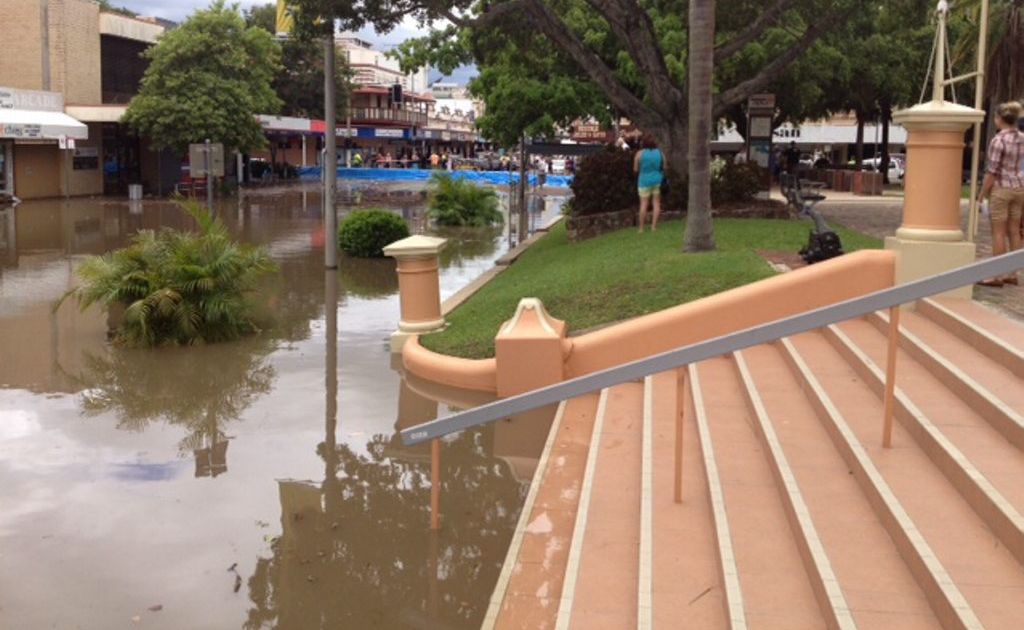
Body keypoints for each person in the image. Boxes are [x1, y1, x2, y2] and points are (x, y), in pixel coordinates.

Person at [977, 101, 1024, 287]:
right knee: (1014, 231)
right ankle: (1013, 272)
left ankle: (995, 275)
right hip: (1019, 188)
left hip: (1002, 188)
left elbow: (992, 171)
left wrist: (982, 194)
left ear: (999, 119)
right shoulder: (1022, 138)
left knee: (998, 232)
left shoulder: (998, 141)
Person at [634, 134, 665, 232]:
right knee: (656, 203)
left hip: (644, 180)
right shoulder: (660, 153)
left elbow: (635, 169)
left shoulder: (639, 154)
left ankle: (641, 228)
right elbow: (665, 166)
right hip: (657, 180)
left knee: (643, 204)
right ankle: (654, 226)